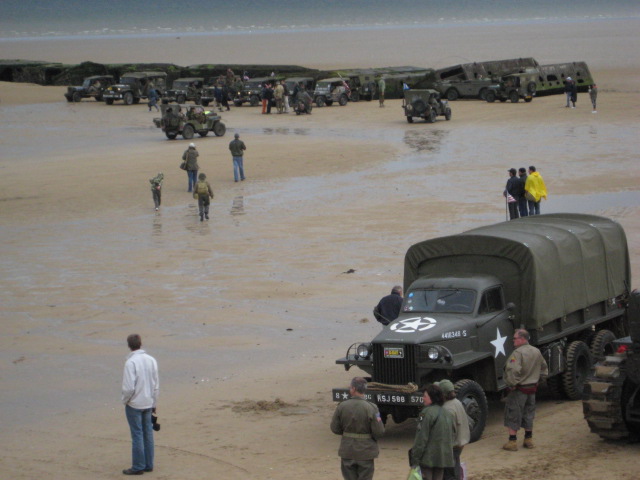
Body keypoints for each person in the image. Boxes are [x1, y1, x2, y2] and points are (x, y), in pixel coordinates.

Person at [502, 329, 548, 451]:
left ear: (522, 339)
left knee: (513, 413)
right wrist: (539, 381)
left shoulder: (517, 353)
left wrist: (512, 385)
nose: (513, 341)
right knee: (529, 413)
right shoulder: (536, 351)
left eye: (514, 338)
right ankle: (528, 439)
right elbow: (544, 368)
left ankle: (512, 442)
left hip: (519, 390)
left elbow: (512, 370)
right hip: (532, 388)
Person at [330, 377, 385, 480]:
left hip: (347, 450)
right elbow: (379, 431)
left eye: (350, 387)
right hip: (365, 451)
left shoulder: (342, 406)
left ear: (354, 389)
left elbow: (335, 428)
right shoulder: (372, 407)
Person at [121, 334, 159, 475]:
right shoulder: (151, 360)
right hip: (148, 401)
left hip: (135, 403)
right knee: (147, 433)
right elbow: (156, 385)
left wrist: (126, 400)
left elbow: (128, 388)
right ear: (140, 344)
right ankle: (148, 464)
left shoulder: (131, 363)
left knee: (137, 434)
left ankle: (138, 466)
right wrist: (154, 401)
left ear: (129, 345)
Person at [410, 384, 455, 480]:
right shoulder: (448, 414)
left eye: (425, 396)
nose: (423, 399)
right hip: (443, 459)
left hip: (427, 459)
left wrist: (415, 460)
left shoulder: (424, 413)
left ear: (432, 398)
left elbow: (421, 438)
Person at [435, 380, 470, 480]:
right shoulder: (456, 402)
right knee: (455, 470)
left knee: (449, 475)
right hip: (459, 443)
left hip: (450, 447)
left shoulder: (447, 410)